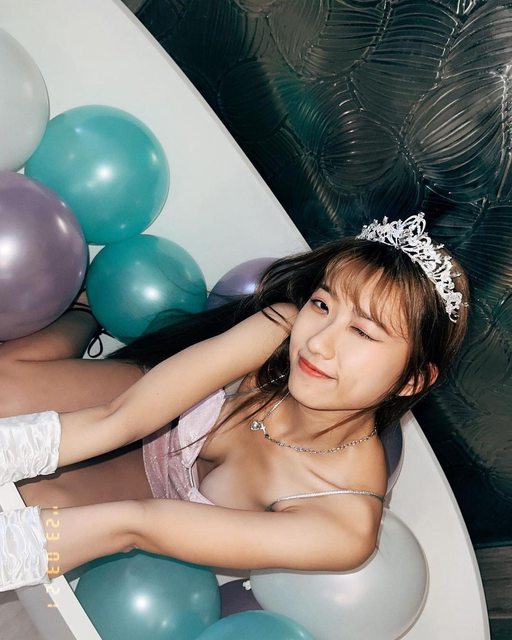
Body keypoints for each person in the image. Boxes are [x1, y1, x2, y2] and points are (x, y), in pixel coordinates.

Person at [0, 213, 469, 592]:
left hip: (152, 501)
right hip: (147, 413)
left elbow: (134, 524)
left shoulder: (343, 525)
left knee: (30, 506)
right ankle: (88, 310)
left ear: (412, 380)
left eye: (362, 332)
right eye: (323, 305)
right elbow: (118, 419)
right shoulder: (281, 330)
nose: (318, 343)